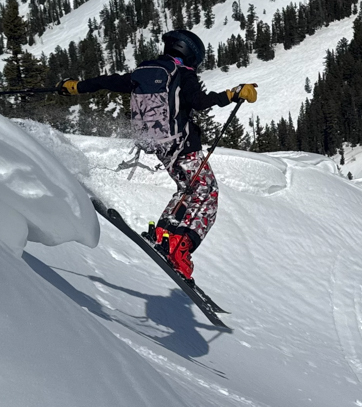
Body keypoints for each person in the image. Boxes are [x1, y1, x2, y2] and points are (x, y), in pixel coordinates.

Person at [60, 29, 257, 280]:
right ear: (189, 53)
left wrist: (75, 87)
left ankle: (163, 235)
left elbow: (106, 81)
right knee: (207, 193)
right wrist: (233, 94)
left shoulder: (143, 72)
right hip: (184, 146)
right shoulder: (182, 74)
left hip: (161, 147)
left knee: (186, 190)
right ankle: (180, 249)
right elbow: (198, 101)